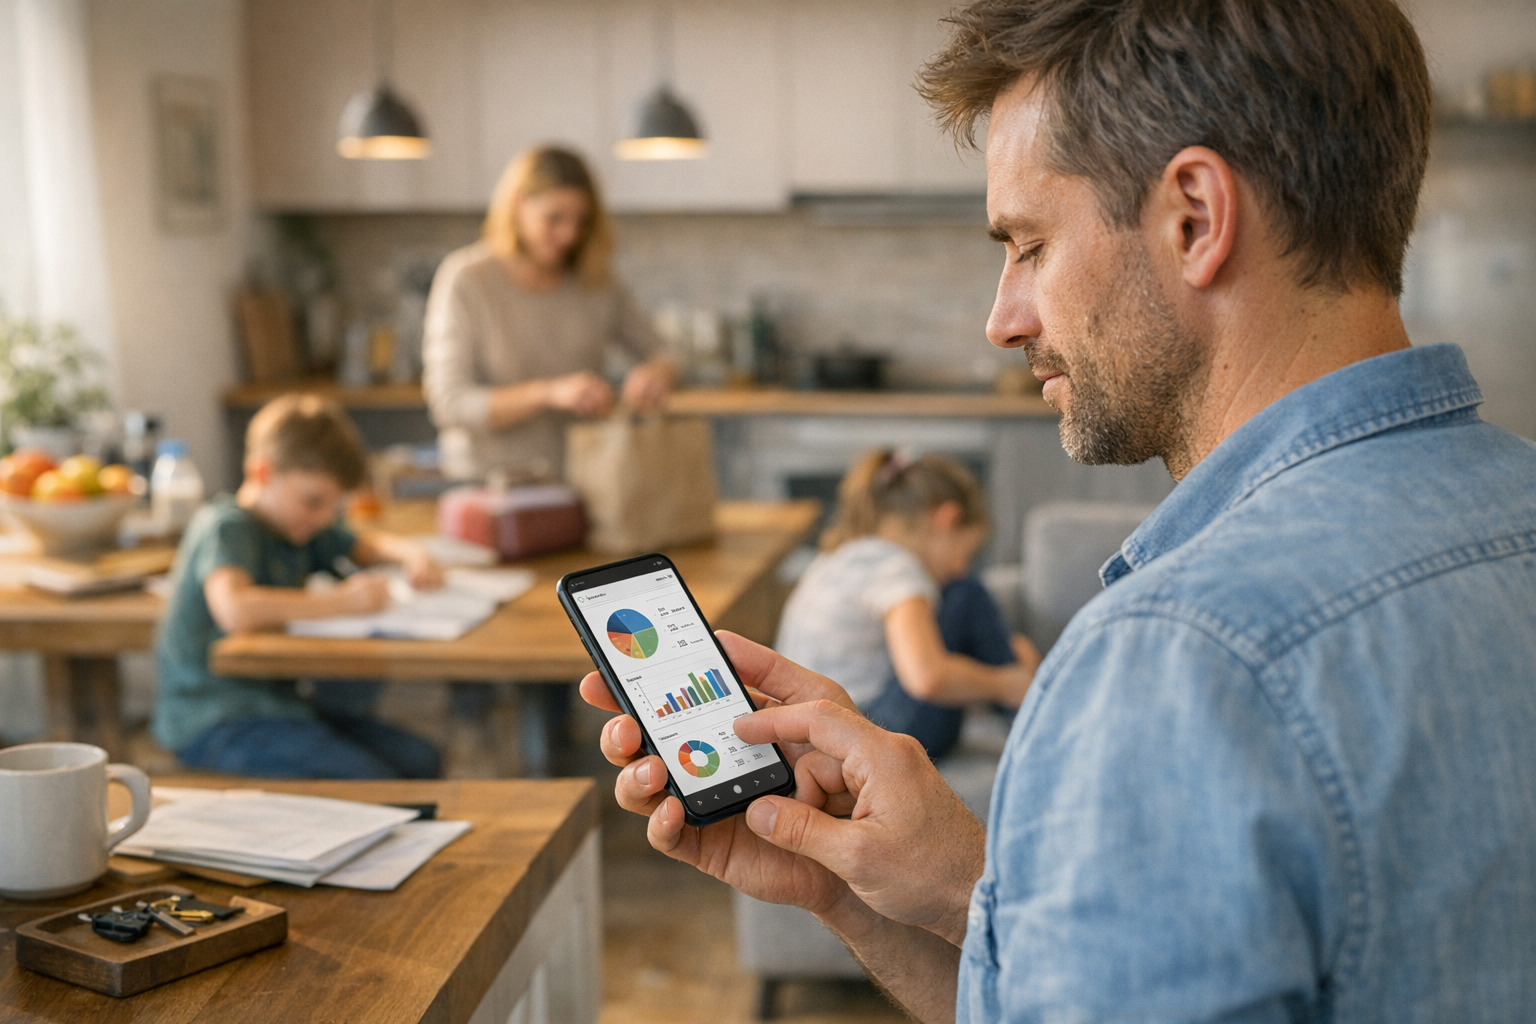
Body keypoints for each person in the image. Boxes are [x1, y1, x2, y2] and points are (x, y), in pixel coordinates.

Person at [580, 1, 1536, 1021]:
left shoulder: (1176, 661)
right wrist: (887, 893)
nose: (1002, 319)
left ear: (1195, 220)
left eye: (1027, 244)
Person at [153, 395, 444, 779]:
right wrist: (341, 602)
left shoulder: (299, 525)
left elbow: (362, 545)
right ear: (263, 473)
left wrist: (410, 554)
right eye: (314, 501)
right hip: (215, 717)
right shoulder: (226, 525)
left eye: (333, 507)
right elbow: (234, 608)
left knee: (422, 760)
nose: (324, 518)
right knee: (371, 779)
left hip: (280, 707)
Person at [422, 145, 677, 482]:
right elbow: (450, 404)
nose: (569, 235)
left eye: (581, 221)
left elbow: (666, 352)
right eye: (554, 218)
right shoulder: (467, 280)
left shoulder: (594, 282)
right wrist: (550, 393)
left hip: (583, 484)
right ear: (518, 204)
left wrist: (656, 373)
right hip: (486, 487)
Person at [775, 449, 1038, 758]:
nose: (960, 567)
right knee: (966, 593)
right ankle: (1031, 709)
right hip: (862, 738)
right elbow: (927, 678)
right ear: (946, 519)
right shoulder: (897, 567)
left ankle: (1027, 706)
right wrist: (1005, 683)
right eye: (966, 553)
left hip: (812, 736)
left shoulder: (838, 557)